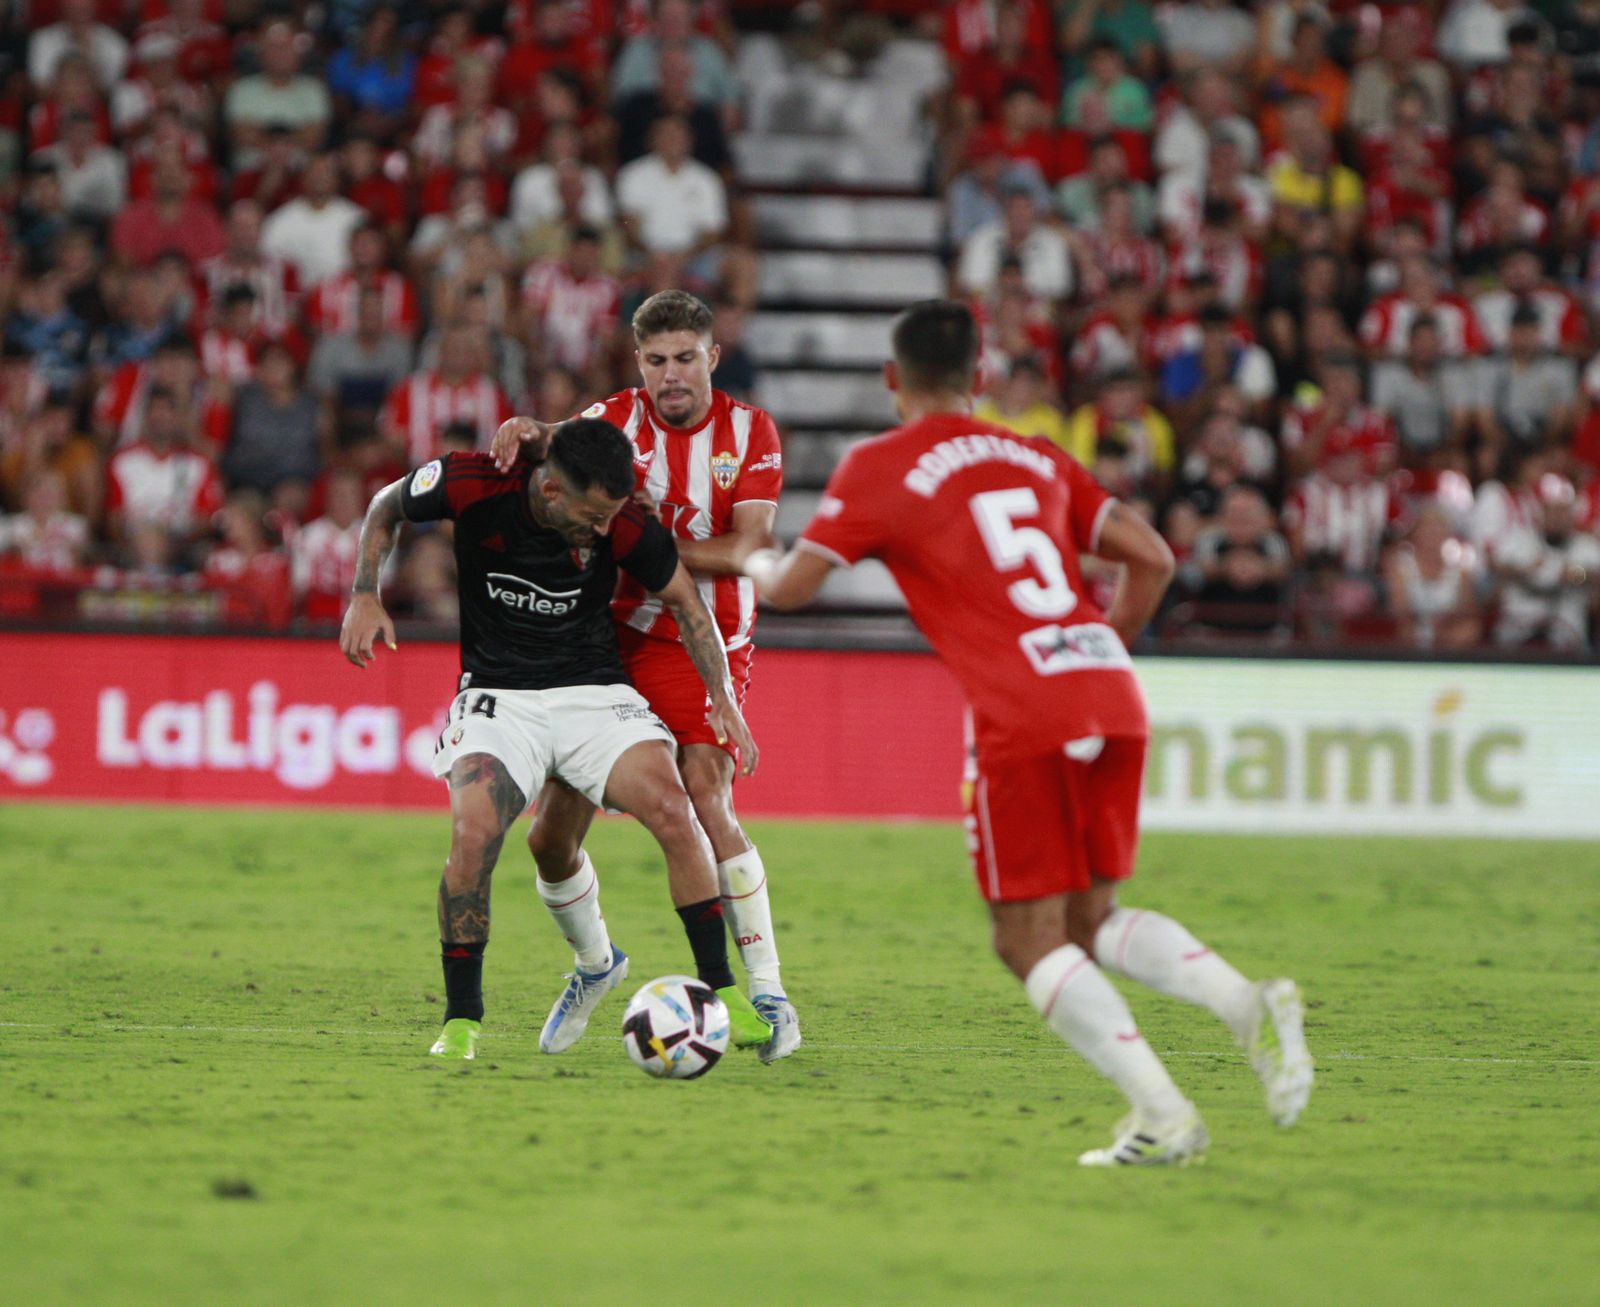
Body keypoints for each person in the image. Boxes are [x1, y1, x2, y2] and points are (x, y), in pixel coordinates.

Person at [728, 300, 1313, 1165]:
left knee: (1023, 935)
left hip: (1025, 711)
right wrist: (1097, 648)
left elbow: (790, 591)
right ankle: (1239, 1003)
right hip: (1107, 685)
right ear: (981, 380)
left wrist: (747, 556)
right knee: (1089, 915)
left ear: (893, 381)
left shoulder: (882, 464)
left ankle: (1165, 1110)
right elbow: (1151, 557)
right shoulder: (1035, 454)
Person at [339, 418, 771, 1061]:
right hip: (497, 697)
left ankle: (725, 993)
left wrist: (723, 701)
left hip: (594, 692)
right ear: (550, 493)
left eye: (610, 517)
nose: (602, 532)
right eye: (591, 517)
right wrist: (365, 593)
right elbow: (384, 506)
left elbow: (685, 600)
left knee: (675, 812)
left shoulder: (619, 519)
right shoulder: (469, 483)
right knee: (473, 836)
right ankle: (462, 1021)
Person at [490, 290, 801, 1063]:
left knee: (704, 787)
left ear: (712, 357)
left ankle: (766, 989)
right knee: (548, 837)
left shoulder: (749, 431)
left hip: (702, 636)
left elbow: (745, 550)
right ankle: (597, 963)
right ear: (639, 363)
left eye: (685, 359)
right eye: (657, 360)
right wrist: (526, 431)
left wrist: (635, 537)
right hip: (606, 640)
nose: (672, 376)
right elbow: (551, 445)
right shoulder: (614, 419)